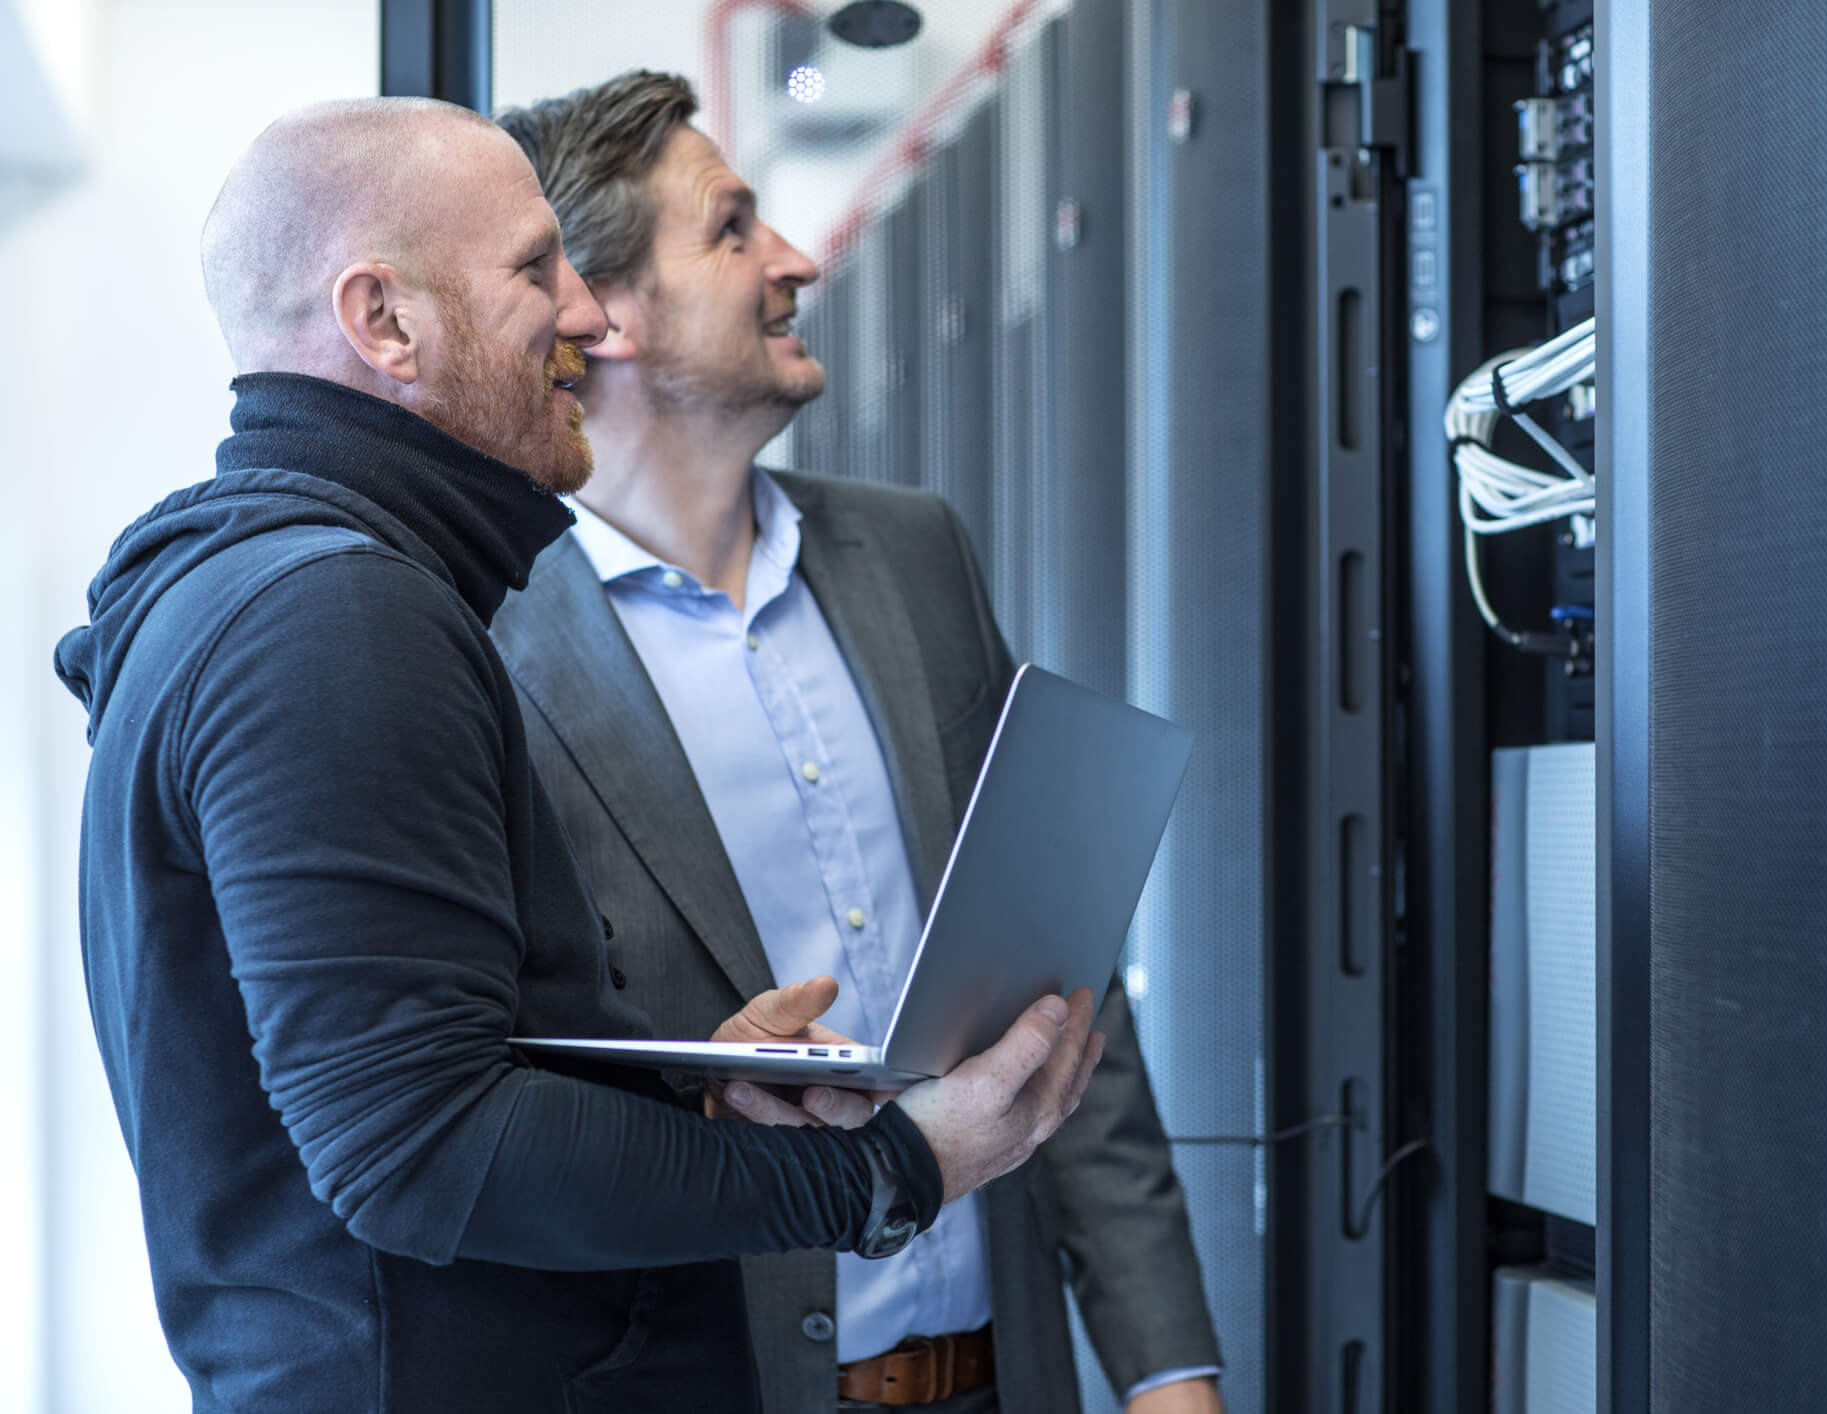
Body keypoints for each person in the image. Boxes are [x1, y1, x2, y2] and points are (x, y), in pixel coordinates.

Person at [54, 95, 1104, 1414]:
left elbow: (417, 1071)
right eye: (534, 269)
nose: (589, 317)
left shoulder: (282, 593)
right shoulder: (331, 619)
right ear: (384, 320)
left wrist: (694, 1106)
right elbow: (421, 1149)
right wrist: (887, 1169)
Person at [490, 72, 1223, 1414]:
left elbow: (1055, 986)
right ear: (604, 316)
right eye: (730, 231)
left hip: (997, 1376)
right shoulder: (496, 640)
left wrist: (1167, 1364)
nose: (794, 260)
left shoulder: (910, 551)